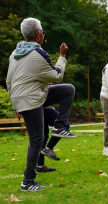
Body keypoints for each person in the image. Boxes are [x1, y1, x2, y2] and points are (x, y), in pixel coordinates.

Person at [6, 17, 77, 192]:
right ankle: (27, 182)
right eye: (42, 32)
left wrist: (15, 104)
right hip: (32, 98)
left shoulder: (15, 53)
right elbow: (56, 75)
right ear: (37, 34)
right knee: (37, 140)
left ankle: (60, 126)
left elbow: (9, 81)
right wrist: (62, 57)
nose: (43, 35)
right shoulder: (38, 53)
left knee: (68, 89)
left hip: (24, 97)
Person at [36, 106, 70, 172]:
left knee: (42, 138)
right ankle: (48, 148)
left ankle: (40, 166)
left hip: (34, 109)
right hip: (44, 108)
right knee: (64, 124)